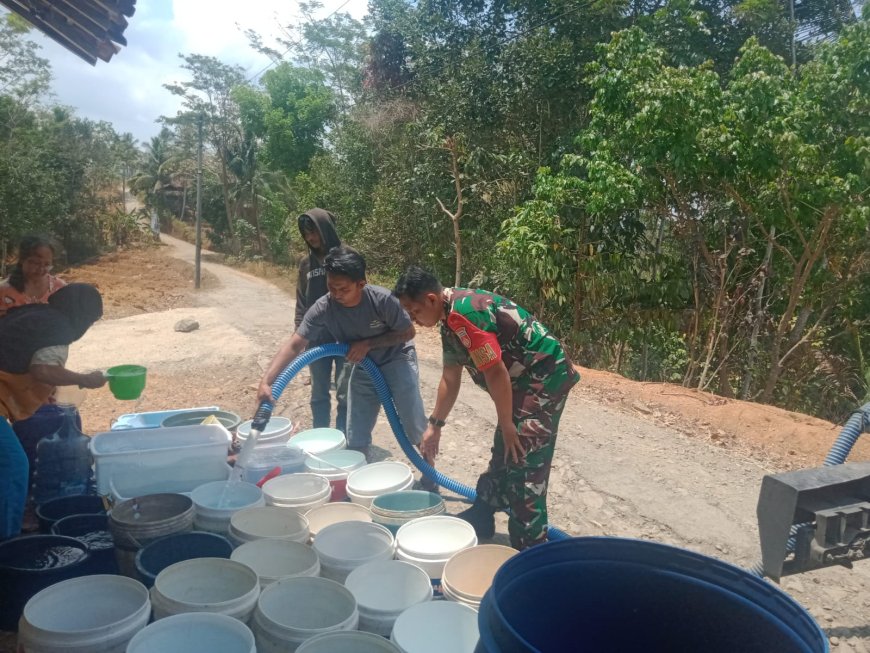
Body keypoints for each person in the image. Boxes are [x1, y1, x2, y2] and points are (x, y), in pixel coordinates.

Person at [393, 267, 581, 550]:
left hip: (543, 376)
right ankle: (483, 514)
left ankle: (530, 549)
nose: (413, 320)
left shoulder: (467, 315)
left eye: (414, 311)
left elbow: (496, 373)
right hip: (520, 380)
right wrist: (435, 425)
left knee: (523, 459)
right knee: (505, 447)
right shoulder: (449, 319)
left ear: (431, 299)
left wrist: (508, 424)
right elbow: (450, 377)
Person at [259, 247, 437, 488]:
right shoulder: (324, 307)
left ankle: (430, 476)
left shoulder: (382, 301)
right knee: (356, 430)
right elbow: (296, 343)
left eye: (343, 289)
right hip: (364, 365)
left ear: (361, 284)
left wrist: (368, 343)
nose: (337, 294)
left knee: (412, 421)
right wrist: (267, 381)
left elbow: (408, 332)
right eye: (331, 287)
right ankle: (357, 481)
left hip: (396, 358)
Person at [0, 283, 107, 539]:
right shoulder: (60, 326)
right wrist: (85, 379)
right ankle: (8, 543)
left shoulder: (36, 313)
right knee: (14, 465)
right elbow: (43, 370)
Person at [295, 209, 347, 432]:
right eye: (306, 234)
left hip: (347, 335)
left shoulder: (348, 257)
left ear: (326, 228)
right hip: (316, 339)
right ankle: (321, 435)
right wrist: (299, 333)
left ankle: (346, 436)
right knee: (318, 392)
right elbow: (300, 301)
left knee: (346, 392)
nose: (311, 238)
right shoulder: (305, 264)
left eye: (314, 232)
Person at [0, 235, 67, 318]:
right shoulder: (4, 291)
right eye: (36, 263)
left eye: (47, 264)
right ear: (22, 260)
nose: (41, 269)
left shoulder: (60, 288)